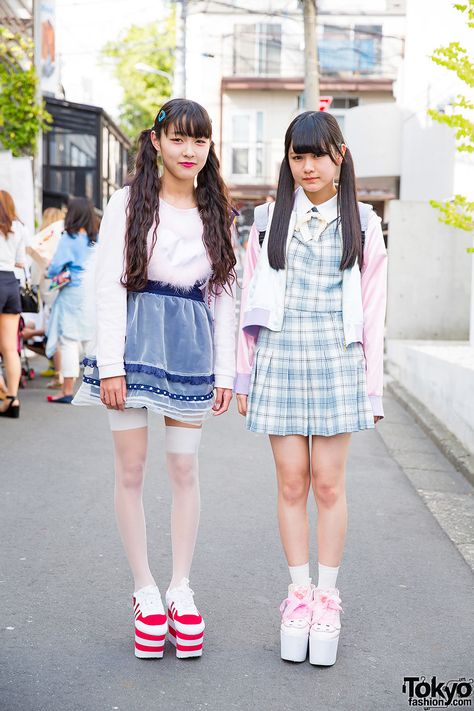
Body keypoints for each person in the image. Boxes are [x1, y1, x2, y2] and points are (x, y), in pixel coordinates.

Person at [73, 98, 236, 659]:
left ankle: (180, 588)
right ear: (157, 141)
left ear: (208, 148)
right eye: (179, 139)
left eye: (200, 141)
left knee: (185, 466)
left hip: (191, 346)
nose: (189, 151)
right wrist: (111, 363)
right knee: (133, 468)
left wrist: (226, 372)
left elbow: (225, 295)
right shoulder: (127, 203)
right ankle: (145, 589)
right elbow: (106, 285)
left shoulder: (218, 210)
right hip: (134, 339)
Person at [235, 111, 387, 666]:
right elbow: (250, 298)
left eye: (317, 155)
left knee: (328, 483)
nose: (307, 166)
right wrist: (243, 372)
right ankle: (298, 595)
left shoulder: (365, 224)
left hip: (337, 359)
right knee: (292, 482)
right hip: (280, 356)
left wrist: (373, 389)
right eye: (297, 156)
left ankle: (328, 596)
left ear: (339, 156)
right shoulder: (266, 219)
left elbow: (374, 311)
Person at [45, 197, 97, 403]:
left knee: (68, 340)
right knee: (90, 337)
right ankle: (95, 386)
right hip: (91, 289)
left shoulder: (69, 238)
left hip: (72, 290)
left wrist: (51, 268)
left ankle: (67, 390)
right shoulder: (97, 238)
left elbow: (55, 268)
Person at [0, 190, 28, 419]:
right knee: (10, 347)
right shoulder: (19, 228)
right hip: (11, 283)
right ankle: (12, 397)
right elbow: (21, 262)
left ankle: (2, 392)